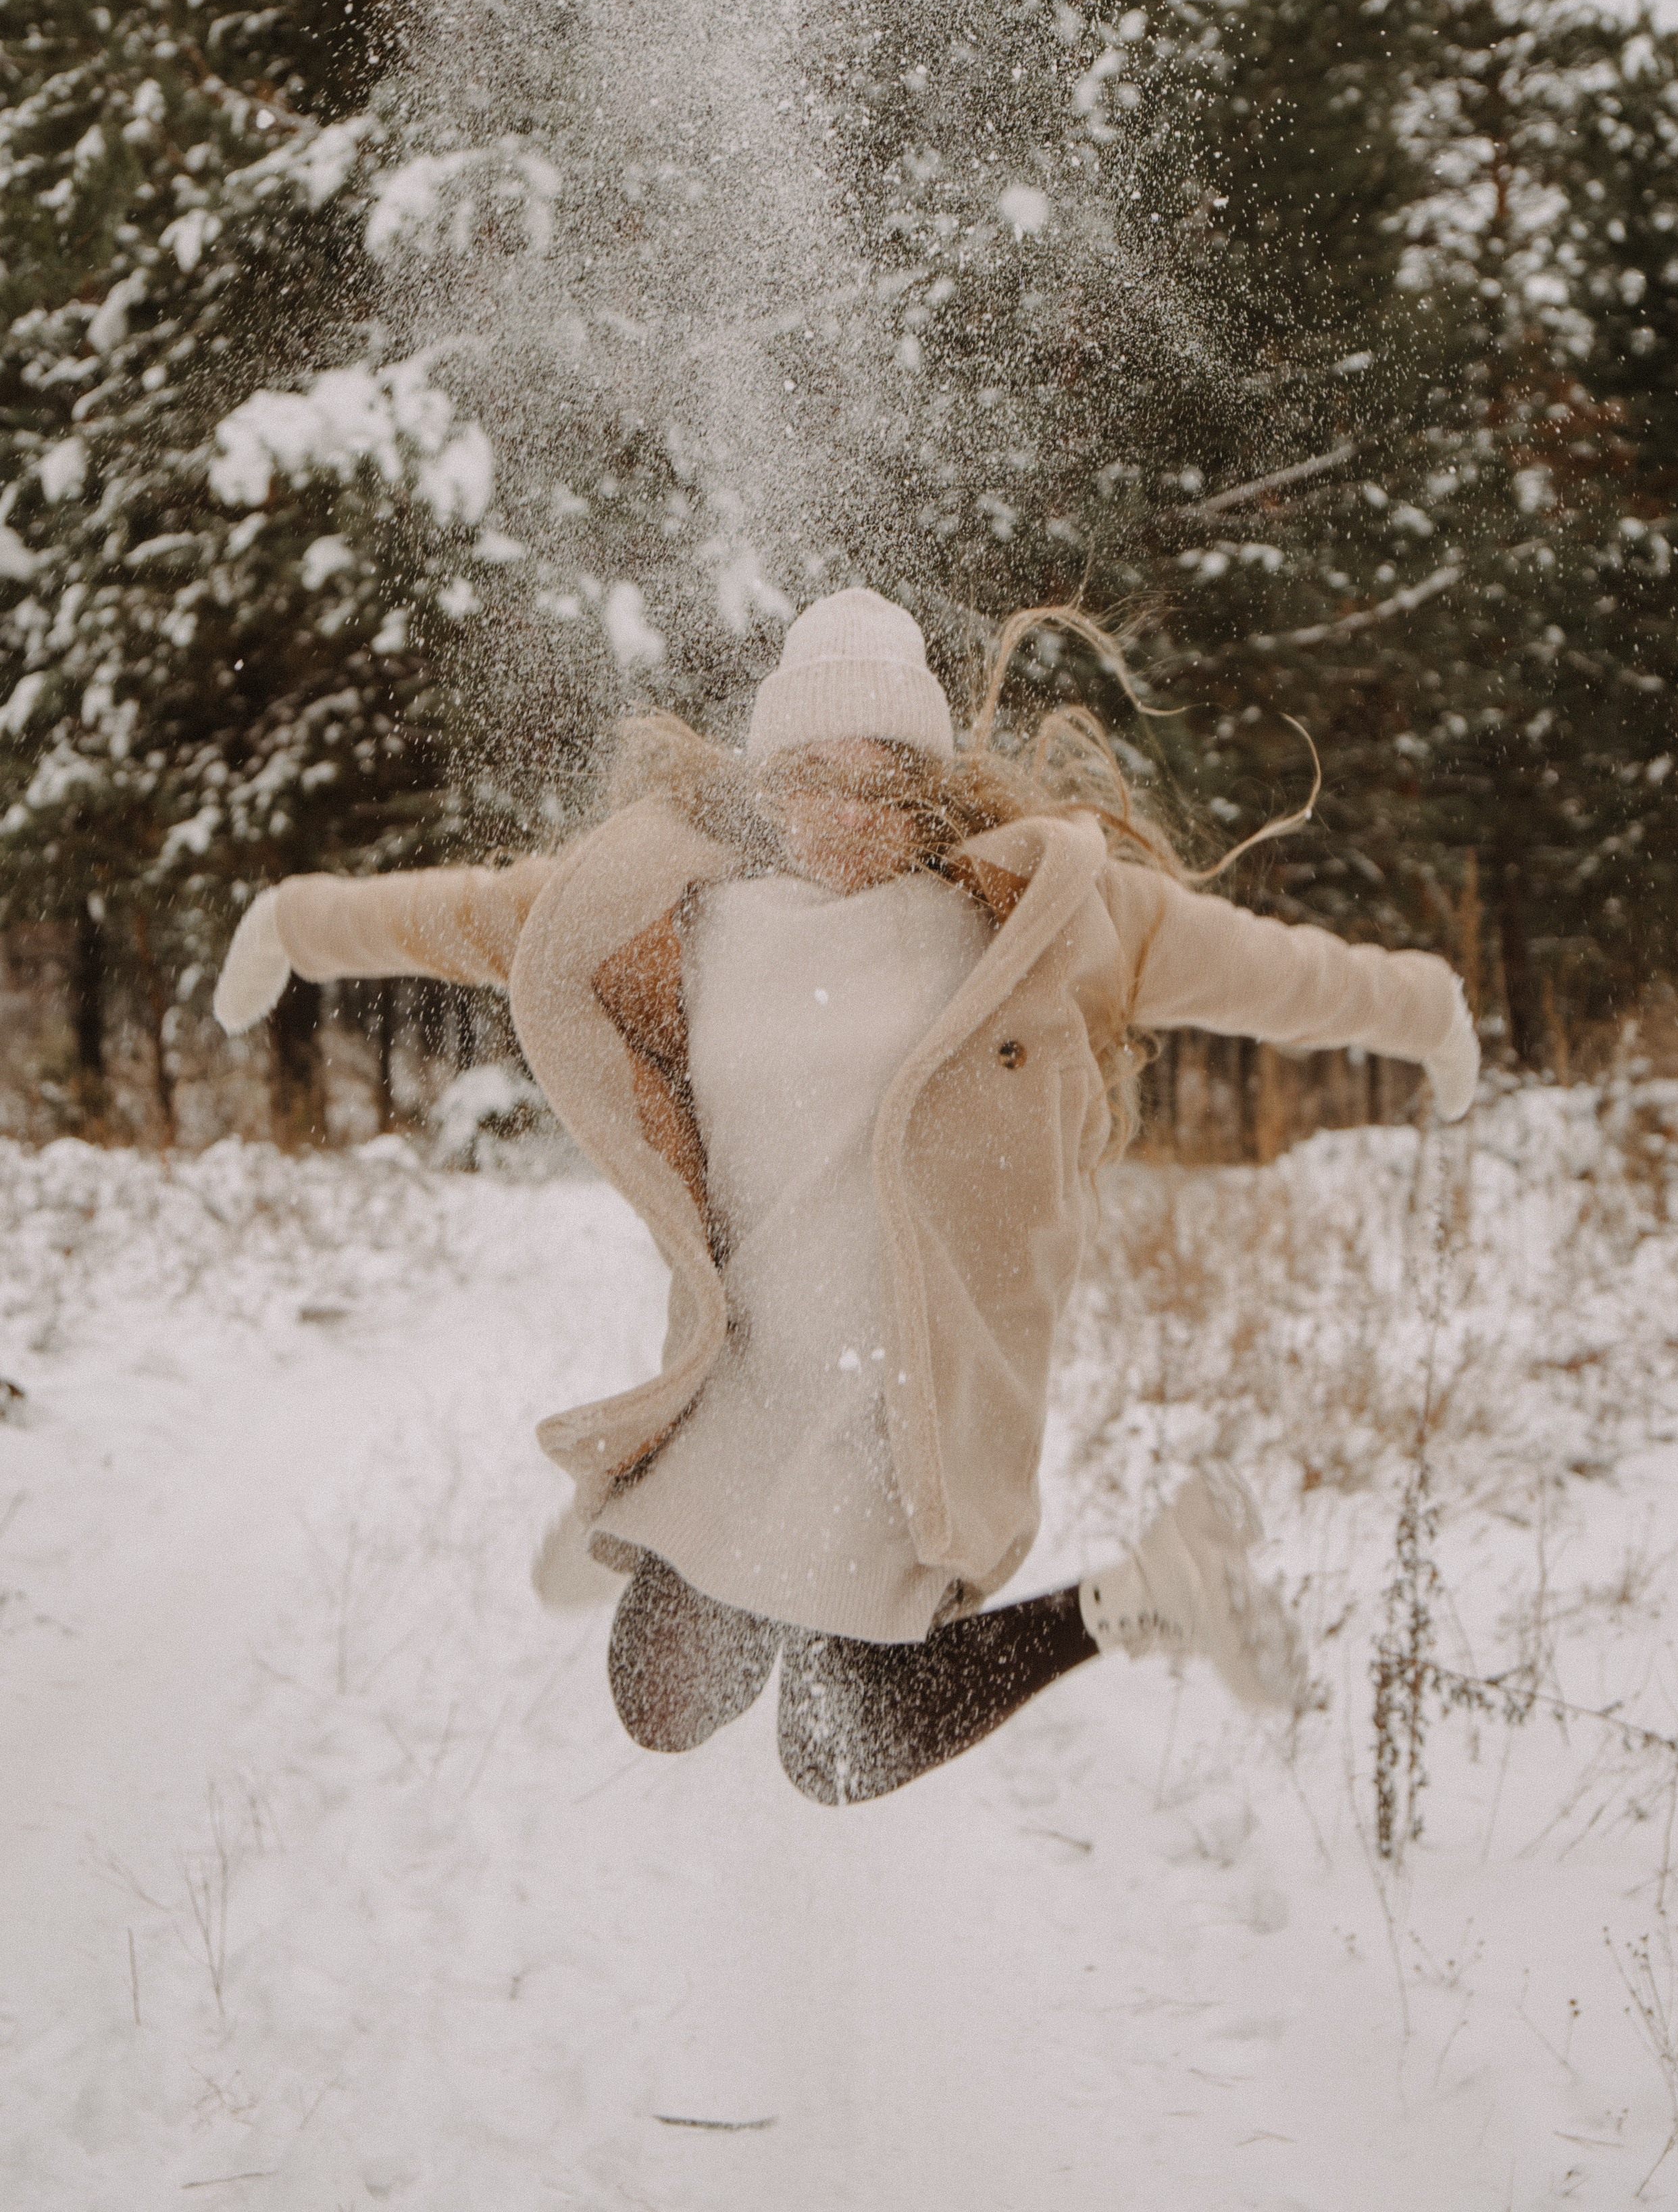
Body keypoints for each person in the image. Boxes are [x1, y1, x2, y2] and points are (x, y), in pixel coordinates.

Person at [213, 588, 1479, 1805]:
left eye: (883, 784)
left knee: (841, 1749)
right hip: (751, 1381)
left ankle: (1151, 1588)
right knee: (659, 1702)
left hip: (899, 1406)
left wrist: (1426, 1010)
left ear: (927, 788)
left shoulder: (1037, 916)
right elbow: (466, 916)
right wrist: (291, 920)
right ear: (768, 781)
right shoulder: (682, 913)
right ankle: (645, 1506)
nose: (845, 816)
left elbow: (1279, 975)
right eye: (812, 778)